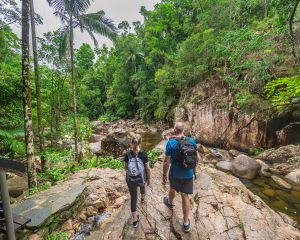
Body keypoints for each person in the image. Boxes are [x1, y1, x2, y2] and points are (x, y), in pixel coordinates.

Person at [162, 122, 199, 233]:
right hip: (188, 174)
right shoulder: (191, 141)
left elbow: (166, 161)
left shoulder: (171, 142)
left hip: (175, 173)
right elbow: (197, 159)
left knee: (172, 189)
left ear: (174, 130)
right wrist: (193, 169)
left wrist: (164, 174)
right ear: (183, 130)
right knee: (185, 196)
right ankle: (186, 222)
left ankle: (170, 202)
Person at [124, 135, 151, 228]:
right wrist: (149, 178)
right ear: (140, 143)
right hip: (141, 177)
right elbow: (147, 168)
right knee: (142, 183)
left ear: (131, 143)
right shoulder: (143, 154)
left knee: (133, 198)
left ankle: (135, 220)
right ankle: (143, 196)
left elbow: (126, 167)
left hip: (130, 179)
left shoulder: (127, 154)